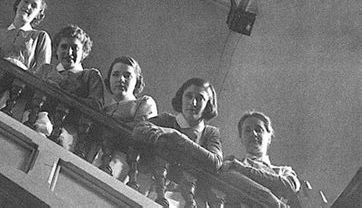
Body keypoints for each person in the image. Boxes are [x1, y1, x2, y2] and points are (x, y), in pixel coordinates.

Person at [133, 77, 223, 207]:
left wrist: (179, 138)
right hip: (152, 183)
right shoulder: (166, 120)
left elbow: (215, 162)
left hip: (184, 196)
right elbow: (139, 129)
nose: (193, 102)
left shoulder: (210, 133)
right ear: (181, 98)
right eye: (188, 96)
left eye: (200, 98)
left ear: (208, 104)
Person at [34, 25, 105, 152]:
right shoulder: (46, 70)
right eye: (64, 47)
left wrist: (63, 95)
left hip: (70, 131)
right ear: (56, 50)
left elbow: (96, 105)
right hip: (37, 119)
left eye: (75, 48)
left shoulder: (90, 75)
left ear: (84, 52)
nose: (69, 52)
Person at [220, 112, 302, 207]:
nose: (253, 134)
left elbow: (289, 187)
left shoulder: (284, 171)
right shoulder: (230, 167)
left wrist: (240, 168)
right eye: (247, 130)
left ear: (269, 138)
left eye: (259, 130)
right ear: (241, 138)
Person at [99, 56, 158, 182]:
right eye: (115, 74)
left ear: (136, 81)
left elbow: (141, 131)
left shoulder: (144, 103)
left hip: (125, 162)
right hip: (99, 154)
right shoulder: (103, 110)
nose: (120, 79)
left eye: (127, 75)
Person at [0, 0, 51, 72]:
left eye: (34, 6)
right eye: (25, 1)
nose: (27, 6)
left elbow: (42, 73)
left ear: (38, 15)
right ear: (18, 4)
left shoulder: (40, 37)